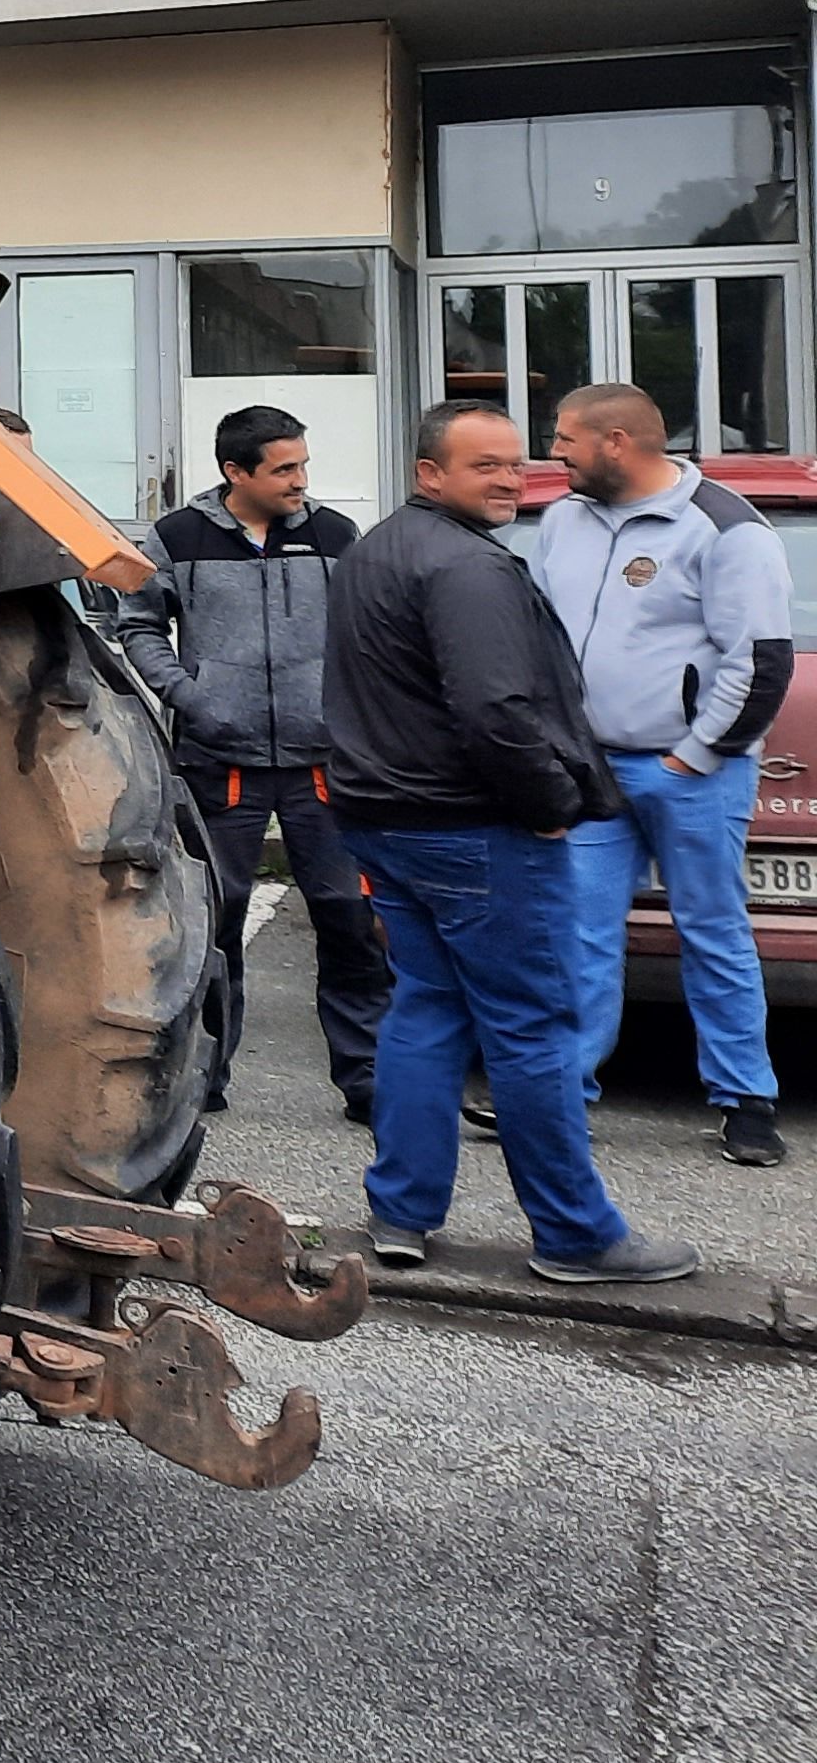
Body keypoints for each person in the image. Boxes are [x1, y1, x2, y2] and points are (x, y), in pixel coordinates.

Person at [322, 397, 695, 1283]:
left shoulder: (376, 550)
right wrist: (549, 802)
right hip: (474, 830)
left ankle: (400, 1215)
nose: (510, 478)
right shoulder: (467, 568)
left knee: (427, 1008)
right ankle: (576, 1234)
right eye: (484, 465)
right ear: (429, 475)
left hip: (387, 821)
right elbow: (496, 711)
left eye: (516, 462)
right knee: (532, 1027)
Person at [531, 381, 794, 1168]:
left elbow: (762, 661)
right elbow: (542, 638)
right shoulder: (561, 521)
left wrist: (696, 755)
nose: (553, 452)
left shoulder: (725, 528)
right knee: (577, 933)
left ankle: (746, 1099)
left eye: (565, 438)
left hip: (691, 775)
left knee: (712, 933)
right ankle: (561, 1095)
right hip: (590, 771)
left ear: (617, 442)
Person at [115, 402, 388, 1120]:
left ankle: (366, 1079)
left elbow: (367, 634)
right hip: (219, 763)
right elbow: (139, 625)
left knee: (348, 917)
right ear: (236, 472)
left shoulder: (335, 535)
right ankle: (205, 1076)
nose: (301, 480)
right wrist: (191, 698)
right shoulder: (176, 536)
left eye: (304, 464)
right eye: (285, 468)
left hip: (324, 768)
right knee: (215, 920)